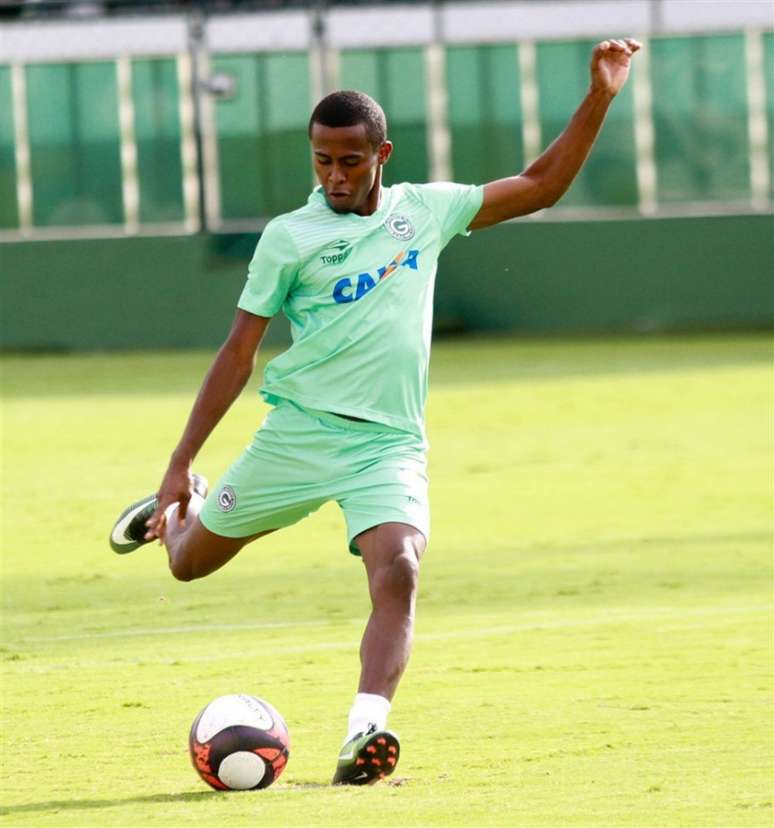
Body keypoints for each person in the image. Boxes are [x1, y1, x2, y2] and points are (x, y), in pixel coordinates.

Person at [109, 38, 640, 785]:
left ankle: (365, 734)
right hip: (297, 435)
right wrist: (179, 463)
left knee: (400, 570)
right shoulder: (290, 238)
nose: (334, 175)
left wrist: (602, 94)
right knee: (189, 567)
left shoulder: (425, 212)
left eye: (350, 161)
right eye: (322, 160)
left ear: (381, 153)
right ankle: (177, 513)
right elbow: (237, 354)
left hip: (386, 446)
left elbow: (541, 184)